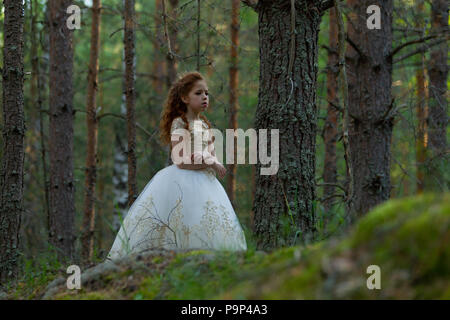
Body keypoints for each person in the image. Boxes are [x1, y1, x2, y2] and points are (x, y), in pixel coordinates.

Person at [107, 72, 247, 260]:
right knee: (180, 218)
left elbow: (212, 154)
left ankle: (207, 260)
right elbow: (180, 160)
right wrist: (209, 161)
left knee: (205, 220)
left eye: (206, 93)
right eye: (198, 93)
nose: (204, 97)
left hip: (207, 184)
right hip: (182, 182)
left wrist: (213, 161)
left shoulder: (205, 125)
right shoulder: (180, 123)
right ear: (184, 98)